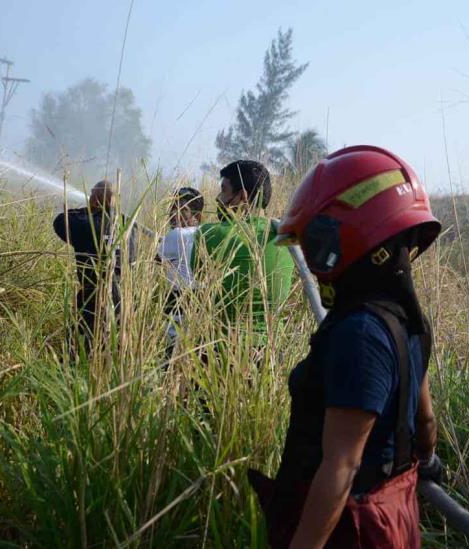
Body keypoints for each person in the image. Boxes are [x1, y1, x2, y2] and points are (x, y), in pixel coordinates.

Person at [248, 146, 445, 548]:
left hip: (351, 529)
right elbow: (424, 423)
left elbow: (341, 466)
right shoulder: (407, 317)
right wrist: (427, 462)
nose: (308, 253)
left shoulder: (360, 333)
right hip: (393, 516)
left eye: (312, 240)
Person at [190, 160, 294, 345]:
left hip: (221, 349)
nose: (217, 198)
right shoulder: (287, 238)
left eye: (224, 190)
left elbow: (199, 275)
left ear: (242, 196)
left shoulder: (210, 234)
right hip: (270, 353)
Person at [53, 179, 136, 355]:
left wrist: (89, 211)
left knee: (78, 350)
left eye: (92, 193)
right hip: (120, 298)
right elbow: (131, 259)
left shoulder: (87, 224)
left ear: (98, 199)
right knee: (113, 351)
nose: (89, 196)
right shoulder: (129, 226)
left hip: (92, 296)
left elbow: (60, 221)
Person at [157, 187, 204, 361]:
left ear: (196, 216)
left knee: (171, 356)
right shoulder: (208, 233)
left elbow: (157, 259)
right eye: (173, 208)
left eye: (182, 210)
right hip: (202, 303)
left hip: (177, 302)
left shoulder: (175, 234)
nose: (173, 214)